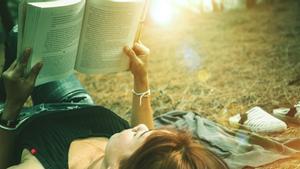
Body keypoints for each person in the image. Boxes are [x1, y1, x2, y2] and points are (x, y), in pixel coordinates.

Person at [0, 36, 229, 168]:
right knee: (24, 36)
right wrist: (141, 79)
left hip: (14, 118)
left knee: (22, 42)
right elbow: (146, 137)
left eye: (139, 135)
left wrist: (12, 104)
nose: (142, 127)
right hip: (76, 104)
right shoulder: (134, 155)